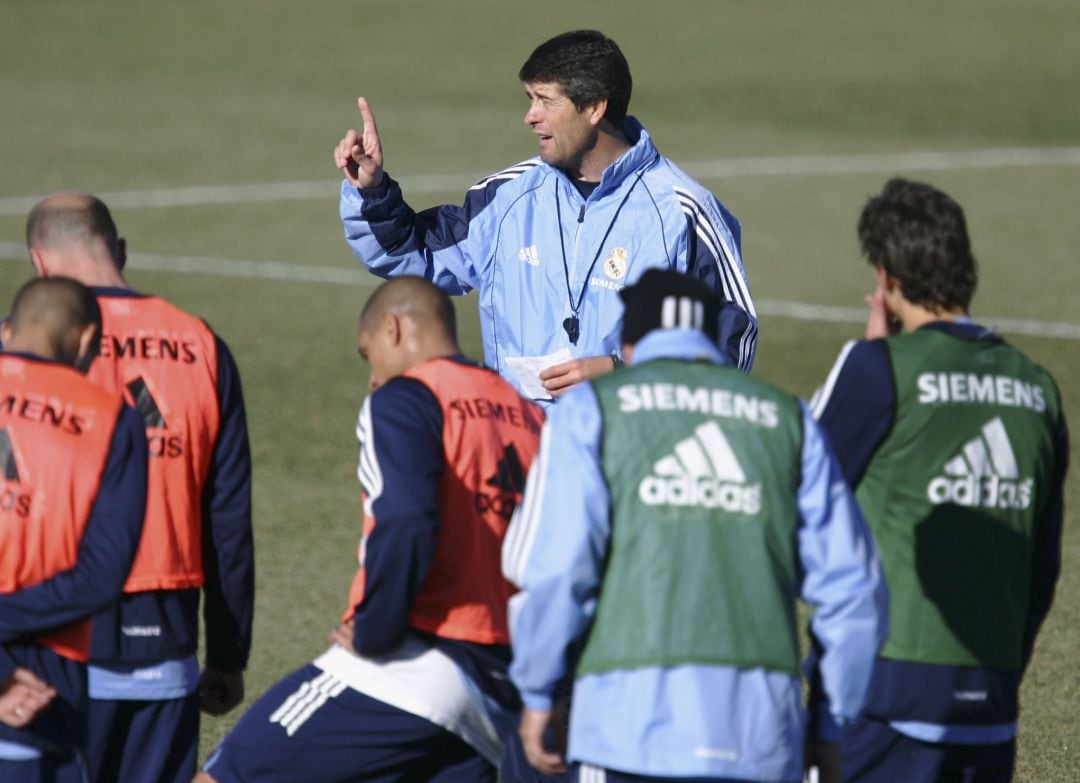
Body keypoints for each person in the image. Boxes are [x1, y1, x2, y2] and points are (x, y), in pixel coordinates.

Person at [503, 268, 888, 783]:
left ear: (631, 346)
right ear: (708, 338)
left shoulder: (592, 410)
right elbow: (855, 592)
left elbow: (555, 570)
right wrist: (830, 724)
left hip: (627, 731)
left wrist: (537, 689)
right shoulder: (787, 418)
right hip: (761, 738)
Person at [197, 276, 544, 783]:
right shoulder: (531, 416)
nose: (372, 380)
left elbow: (406, 521)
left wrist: (377, 630)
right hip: (501, 689)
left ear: (393, 327)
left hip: (414, 661)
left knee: (226, 774)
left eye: (368, 356)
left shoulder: (409, 398)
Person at [333, 29, 756, 404]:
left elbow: (731, 350)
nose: (529, 116)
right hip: (521, 459)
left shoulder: (684, 213)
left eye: (545, 101)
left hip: (624, 461)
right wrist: (370, 190)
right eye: (530, 99)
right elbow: (415, 256)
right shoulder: (510, 198)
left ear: (593, 108)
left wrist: (624, 375)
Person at [808, 178, 1069, 783]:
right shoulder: (1037, 388)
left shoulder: (877, 370)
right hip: (992, 694)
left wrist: (868, 359)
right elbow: (1043, 568)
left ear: (887, 280)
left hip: (884, 697)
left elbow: (791, 487)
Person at [24, 193, 255, 783]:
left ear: (39, 263)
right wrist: (228, 655)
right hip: (165, 636)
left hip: (45, 642)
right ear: (120, 251)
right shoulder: (200, 344)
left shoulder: (17, 350)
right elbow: (225, 516)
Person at [0, 277, 148, 781]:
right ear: (87, 340)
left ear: (6, 331)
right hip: (40, 689)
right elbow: (100, 576)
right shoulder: (112, 418)